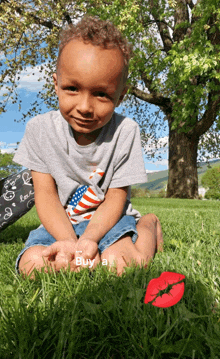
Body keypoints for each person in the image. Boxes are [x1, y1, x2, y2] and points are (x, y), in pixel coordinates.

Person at [13, 16, 163, 277]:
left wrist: (90, 239)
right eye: (72, 88)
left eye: (101, 94)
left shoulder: (125, 132)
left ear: (121, 95)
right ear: (56, 84)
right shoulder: (39, 129)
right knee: (32, 265)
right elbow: (46, 196)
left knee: (122, 266)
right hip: (60, 223)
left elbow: (116, 197)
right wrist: (70, 244)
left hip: (108, 221)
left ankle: (148, 224)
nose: (84, 107)